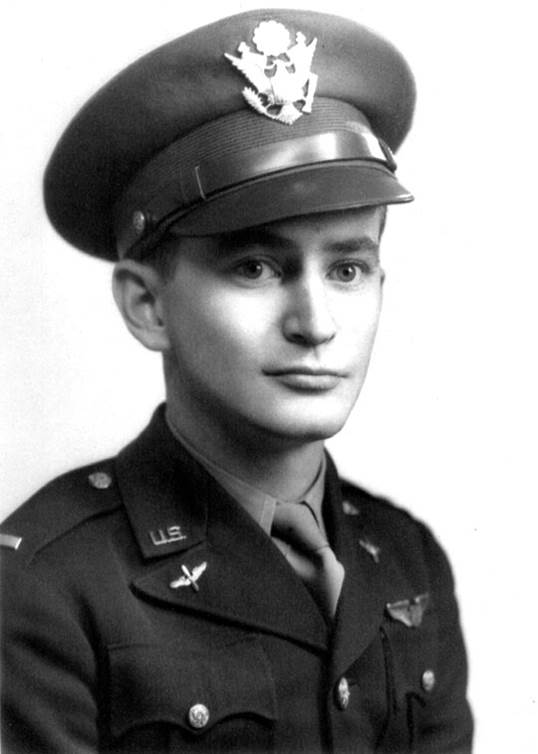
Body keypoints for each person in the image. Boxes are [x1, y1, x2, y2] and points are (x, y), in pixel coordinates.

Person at [0, 8, 473, 753]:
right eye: (256, 267)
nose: (315, 322)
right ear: (149, 305)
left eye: (348, 268)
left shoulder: (407, 559)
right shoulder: (45, 586)